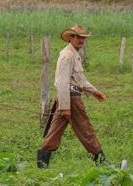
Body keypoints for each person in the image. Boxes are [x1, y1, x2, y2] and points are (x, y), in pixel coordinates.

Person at [37, 24, 108, 168]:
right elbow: (62, 82)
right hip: (71, 99)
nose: (81, 40)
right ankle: (102, 163)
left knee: (54, 131)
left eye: (83, 38)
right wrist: (65, 107)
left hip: (68, 97)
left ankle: (41, 164)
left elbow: (79, 80)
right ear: (70, 38)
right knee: (86, 130)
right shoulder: (67, 55)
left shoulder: (74, 54)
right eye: (78, 37)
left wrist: (94, 92)